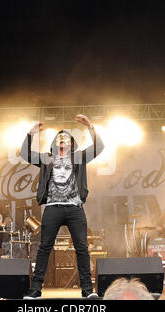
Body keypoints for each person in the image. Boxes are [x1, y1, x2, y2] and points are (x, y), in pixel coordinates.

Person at [20, 114, 104, 299]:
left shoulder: (79, 157)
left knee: (82, 247)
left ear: (72, 143)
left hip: (75, 207)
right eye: (59, 137)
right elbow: (25, 153)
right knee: (44, 248)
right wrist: (30, 134)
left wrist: (90, 126)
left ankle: (87, 292)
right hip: (53, 207)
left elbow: (99, 147)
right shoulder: (47, 159)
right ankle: (34, 291)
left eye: (66, 137)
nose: (62, 139)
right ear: (53, 144)